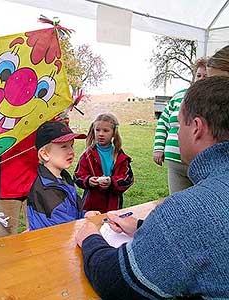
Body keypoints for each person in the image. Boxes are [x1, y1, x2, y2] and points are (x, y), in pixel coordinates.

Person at [76, 76, 229, 299]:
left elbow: (116, 283)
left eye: (178, 125)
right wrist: (142, 226)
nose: (175, 134)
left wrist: (91, 238)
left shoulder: (187, 211)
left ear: (196, 128)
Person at [27, 121, 100, 230]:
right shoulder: (47, 190)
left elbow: (71, 211)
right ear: (45, 154)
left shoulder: (62, 177)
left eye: (71, 145)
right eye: (64, 146)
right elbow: (65, 229)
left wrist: (84, 214)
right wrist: (86, 223)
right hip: (53, 242)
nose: (71, 151)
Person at [153, 58, 207, 194]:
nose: (201, 79)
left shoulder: (213, 100)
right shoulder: (178, 96)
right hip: (175, 162)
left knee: (199, 202)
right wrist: (158, 148)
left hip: (200, 163)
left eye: (206, 76)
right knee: (177, 201)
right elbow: (163, 122)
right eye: (198, 75)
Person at [74, 113, 134, 213]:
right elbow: (77, 176)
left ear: (114, 133)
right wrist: (88, 180)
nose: (101, 134)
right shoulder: (87, 155)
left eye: (106, 131)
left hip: (113, 203)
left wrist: (112, 182)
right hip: (91, 204)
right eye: (98, 130)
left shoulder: (120, 156)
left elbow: (128, 178)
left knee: (110, 227)